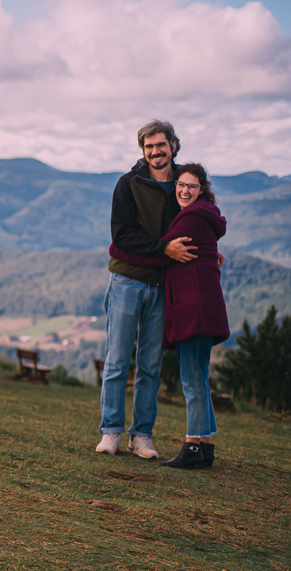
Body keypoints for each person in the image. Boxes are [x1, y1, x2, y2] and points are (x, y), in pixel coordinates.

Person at [109, 164, 229, 469]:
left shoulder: (189, 217)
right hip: (202, 306)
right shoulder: (203, 216)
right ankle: (205, 446)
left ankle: (192, 445)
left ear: (203, 189)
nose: (184, 190)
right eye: (181, 185)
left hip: (195, 309)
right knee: (198, 376)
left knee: (192, 379)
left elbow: (161, 251)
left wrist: (118, 248)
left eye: (192, 186)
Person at [97, 120, 198, 459]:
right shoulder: (128, 185)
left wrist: (211, 250)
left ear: (173, 146)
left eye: (161, 145)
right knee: (117, 361)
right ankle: (110, 431)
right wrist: (164, 248)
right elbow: (121, 236)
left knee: (151, 366)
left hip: (162, 285)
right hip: (127, 280)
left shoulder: (184, 184)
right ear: (143, 150)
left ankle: (141, 435)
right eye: (149, 146)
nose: (156, 151)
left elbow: (201, 217)